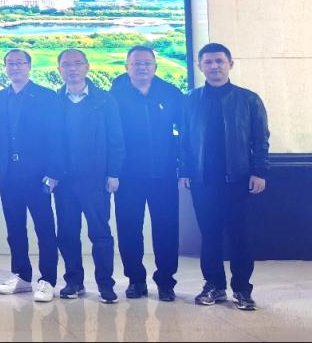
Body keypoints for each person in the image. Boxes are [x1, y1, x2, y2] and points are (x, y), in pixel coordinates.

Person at [180, 43, 269, 311]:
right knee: (209, 236)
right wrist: (184, 170)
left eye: (219, 61)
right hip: (203, 181)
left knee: (240, 236)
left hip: (239, 179)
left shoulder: (249, 99)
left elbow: (260, 139)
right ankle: (214, 286)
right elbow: (184, 140)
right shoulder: (190, 100)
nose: (214, 66)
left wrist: (260, 171)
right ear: (200, 67)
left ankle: (242, 290)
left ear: (230, 64)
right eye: (208, 62)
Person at [110, 46, 184, 302]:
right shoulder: (115, 96)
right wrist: (112, 171)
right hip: (127, 176)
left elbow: (185, 131)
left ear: (155, 66)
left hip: (164, 174)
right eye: (136, 63)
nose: (142, 67)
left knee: (166, 228)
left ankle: (166, 282)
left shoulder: (170, 93)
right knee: (129, 229)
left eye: (147, 63)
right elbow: (110, 137)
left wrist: (181, 164)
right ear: (127, 67)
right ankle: (136, 280)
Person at [52, 49, 125, 305]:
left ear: (87, 67)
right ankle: (74, 281)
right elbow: (49, 141)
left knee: (100, 233)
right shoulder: (54, 101)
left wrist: (114, 172)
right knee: (67, 233)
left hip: (96, 180)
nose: (72, 68)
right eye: (66, 65)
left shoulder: (104, 100)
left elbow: (116, 139)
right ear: (59, 70)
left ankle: (106, 285)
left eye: (77, 63)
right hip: (64, 181)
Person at [0, 49, 61, 303]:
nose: (15, 67)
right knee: (15, 228)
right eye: (10, 63)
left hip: (38, 175)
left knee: (44, 228)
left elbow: (56, 137)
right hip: (9, 174)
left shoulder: (46, 96)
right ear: (5, 68)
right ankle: (21, 276)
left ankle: (47, 280)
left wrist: (53, 172)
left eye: (20, 63)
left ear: (29, 66)